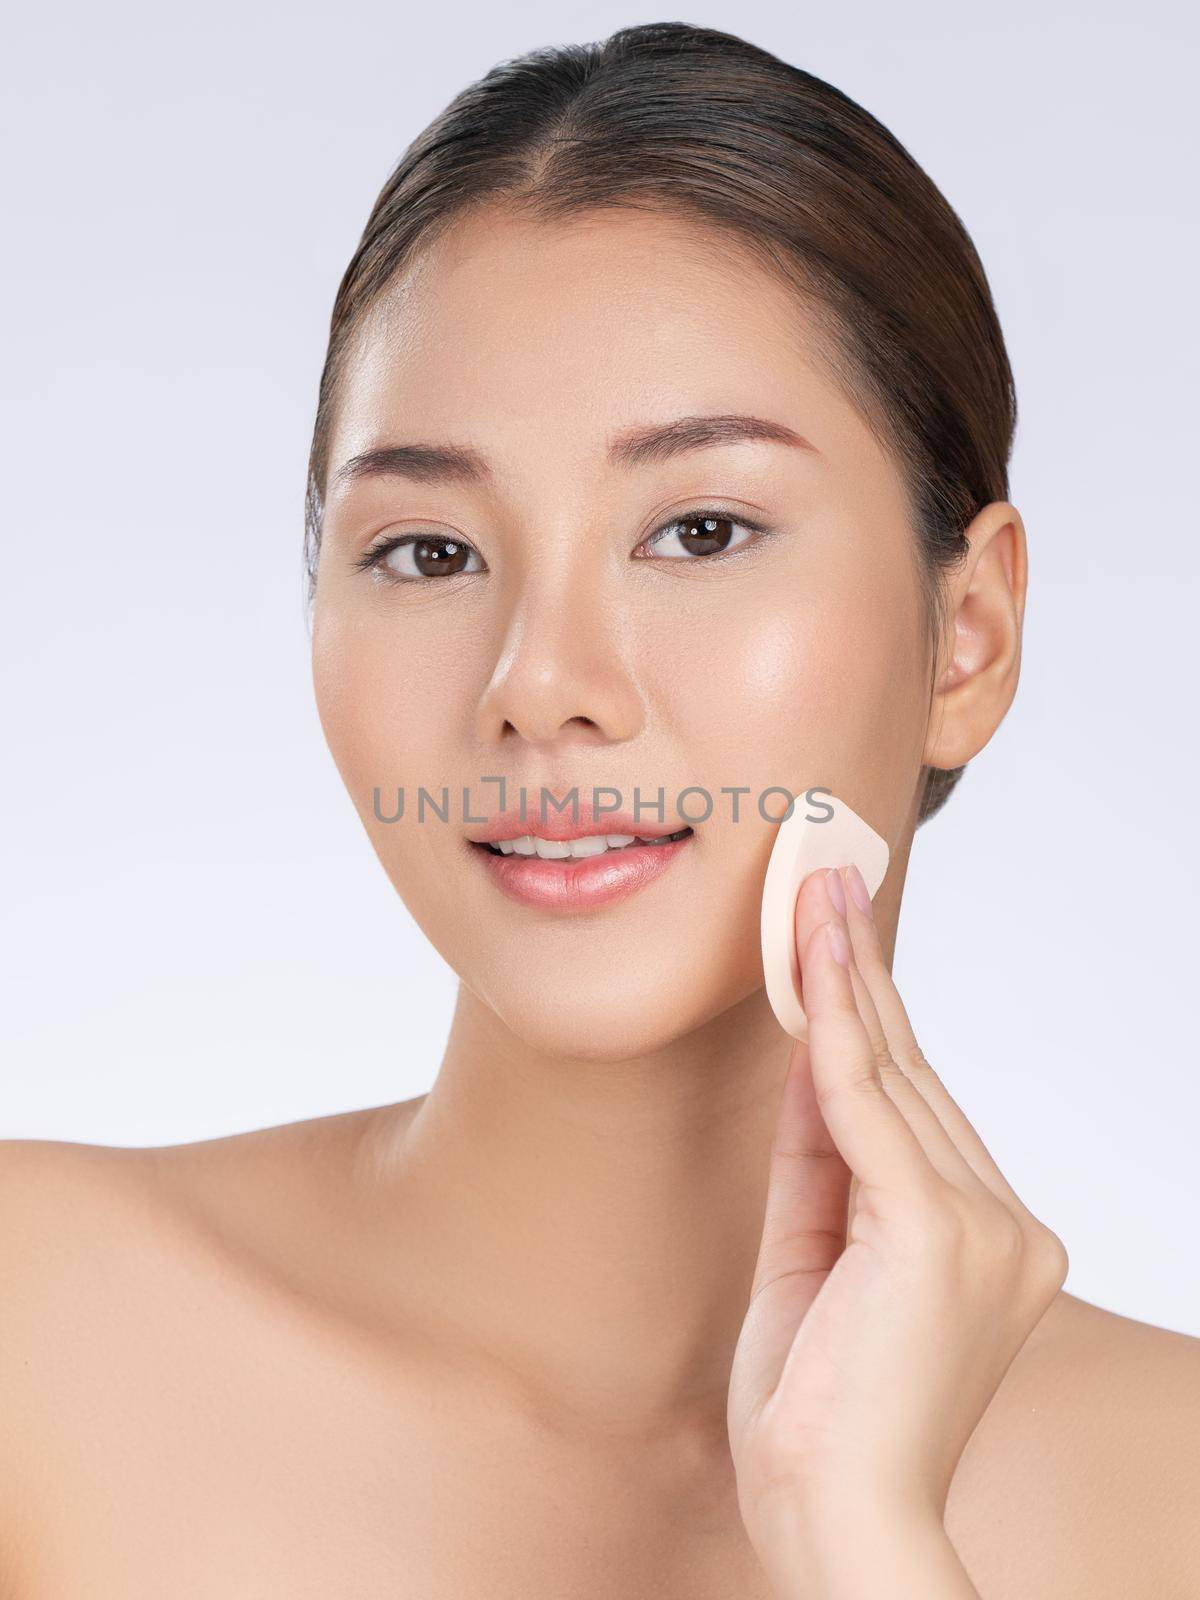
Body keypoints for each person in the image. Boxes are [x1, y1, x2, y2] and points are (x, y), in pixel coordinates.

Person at [3, 21, 1197, 1598]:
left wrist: (869, 1546)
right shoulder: (38, 1333)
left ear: (967, 634)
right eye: (428, 551)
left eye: (700, 529)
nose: (542, 681)